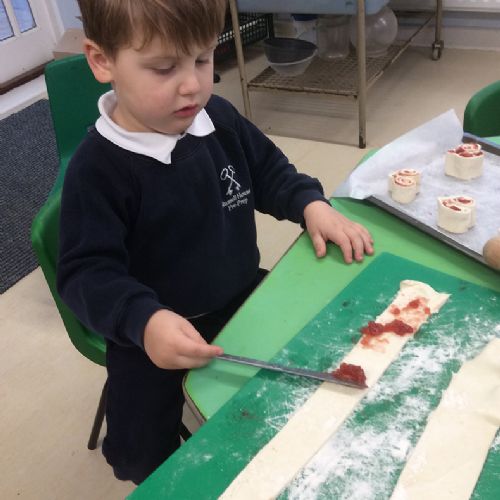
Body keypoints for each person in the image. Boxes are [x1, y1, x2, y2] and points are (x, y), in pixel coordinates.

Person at [57, 0, 374, 485]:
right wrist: (143, 321)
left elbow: (270, 172)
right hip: (153, 332)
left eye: (203, 58)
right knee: (140, 456)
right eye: (165, 67)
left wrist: (311, 205)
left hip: (239, 294)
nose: (192, 85)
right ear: (103, 62)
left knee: (308, 372)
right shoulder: (97, 170)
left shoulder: (217, 118)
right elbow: (85, 274)